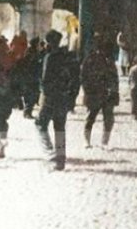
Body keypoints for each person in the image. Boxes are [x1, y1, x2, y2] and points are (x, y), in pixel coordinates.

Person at [34, 30, 80, 171]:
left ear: (48, 42)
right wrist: (71, 98)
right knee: (59, 129)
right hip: (63, 97)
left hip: (50, 98)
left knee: (40, 125)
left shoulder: (50, 58)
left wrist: (44, 96)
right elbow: (75, 80)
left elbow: (45, 80)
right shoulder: (68, 58)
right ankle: (61, 160)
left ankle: (50, 154)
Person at [80, 34, 119, 148]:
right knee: (91, 117)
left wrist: (114, 93)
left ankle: (104, 142)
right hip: (94, 93)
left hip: (106, 94)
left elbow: (114, 78)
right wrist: (87, 90)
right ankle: (87, 141)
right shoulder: (90, 59)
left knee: (108, 119)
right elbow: (83, 77)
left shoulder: (109, 61)